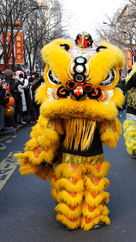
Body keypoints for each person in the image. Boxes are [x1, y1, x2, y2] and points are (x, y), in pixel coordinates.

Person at [16, 32, 125, 230]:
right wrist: (49, 155)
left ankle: (88, 217)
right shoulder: (61, 111)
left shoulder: (98, 111)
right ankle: (73, 217)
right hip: (71, 156)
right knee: (73, 187)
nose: (79, 92)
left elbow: (110, 135)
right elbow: (50, 136)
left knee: (91, 186)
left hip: (91, 155)